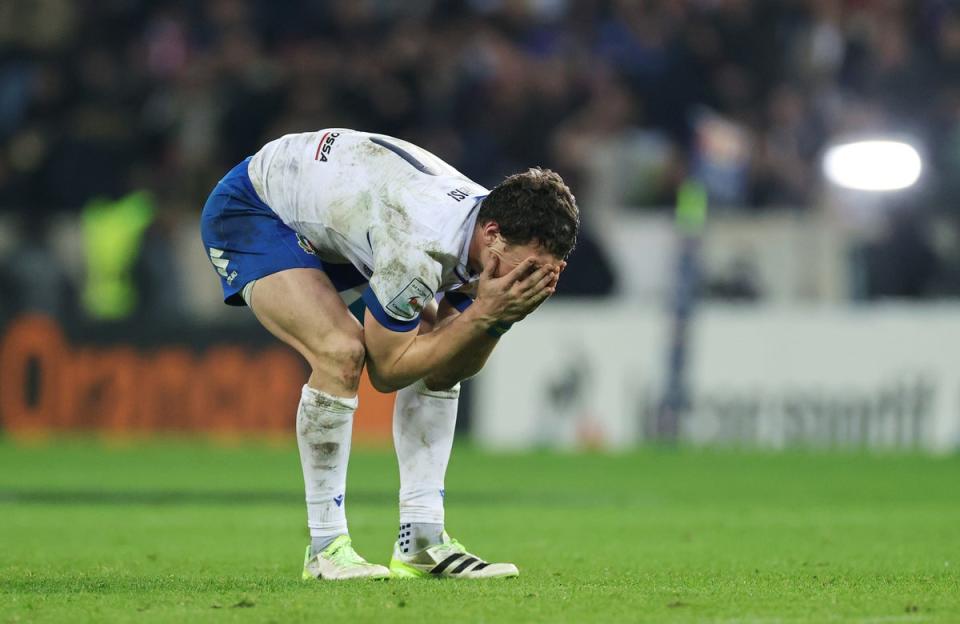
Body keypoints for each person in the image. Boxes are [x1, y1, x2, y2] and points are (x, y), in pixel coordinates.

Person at [199, 129, 578, 580]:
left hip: (339, 216)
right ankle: (325, 550)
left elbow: (448, 364)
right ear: (492, 235)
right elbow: (387, 368)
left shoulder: (487, 238)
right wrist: (483, 315)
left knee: (442, 350)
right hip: (257, 209)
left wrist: (498, 318)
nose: (531, 280)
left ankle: (422, 540)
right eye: (529, 268)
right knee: (341, 351)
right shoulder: (419, 244)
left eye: (545, 273)